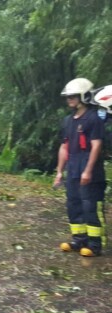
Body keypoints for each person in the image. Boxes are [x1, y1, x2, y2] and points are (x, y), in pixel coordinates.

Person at [54, 78, 106, 257]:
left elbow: (96, 146)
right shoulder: (68, 121)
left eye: (73, 96)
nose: (69, 99)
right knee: (73, 205)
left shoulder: (94, 119)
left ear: (84, 96)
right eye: (67, 96)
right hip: (73, 168)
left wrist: (88, 170)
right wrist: (60, 171)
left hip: (89, 170)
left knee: (89, 206)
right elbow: (64, 147)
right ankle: (79, 240)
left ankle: (95, 245)